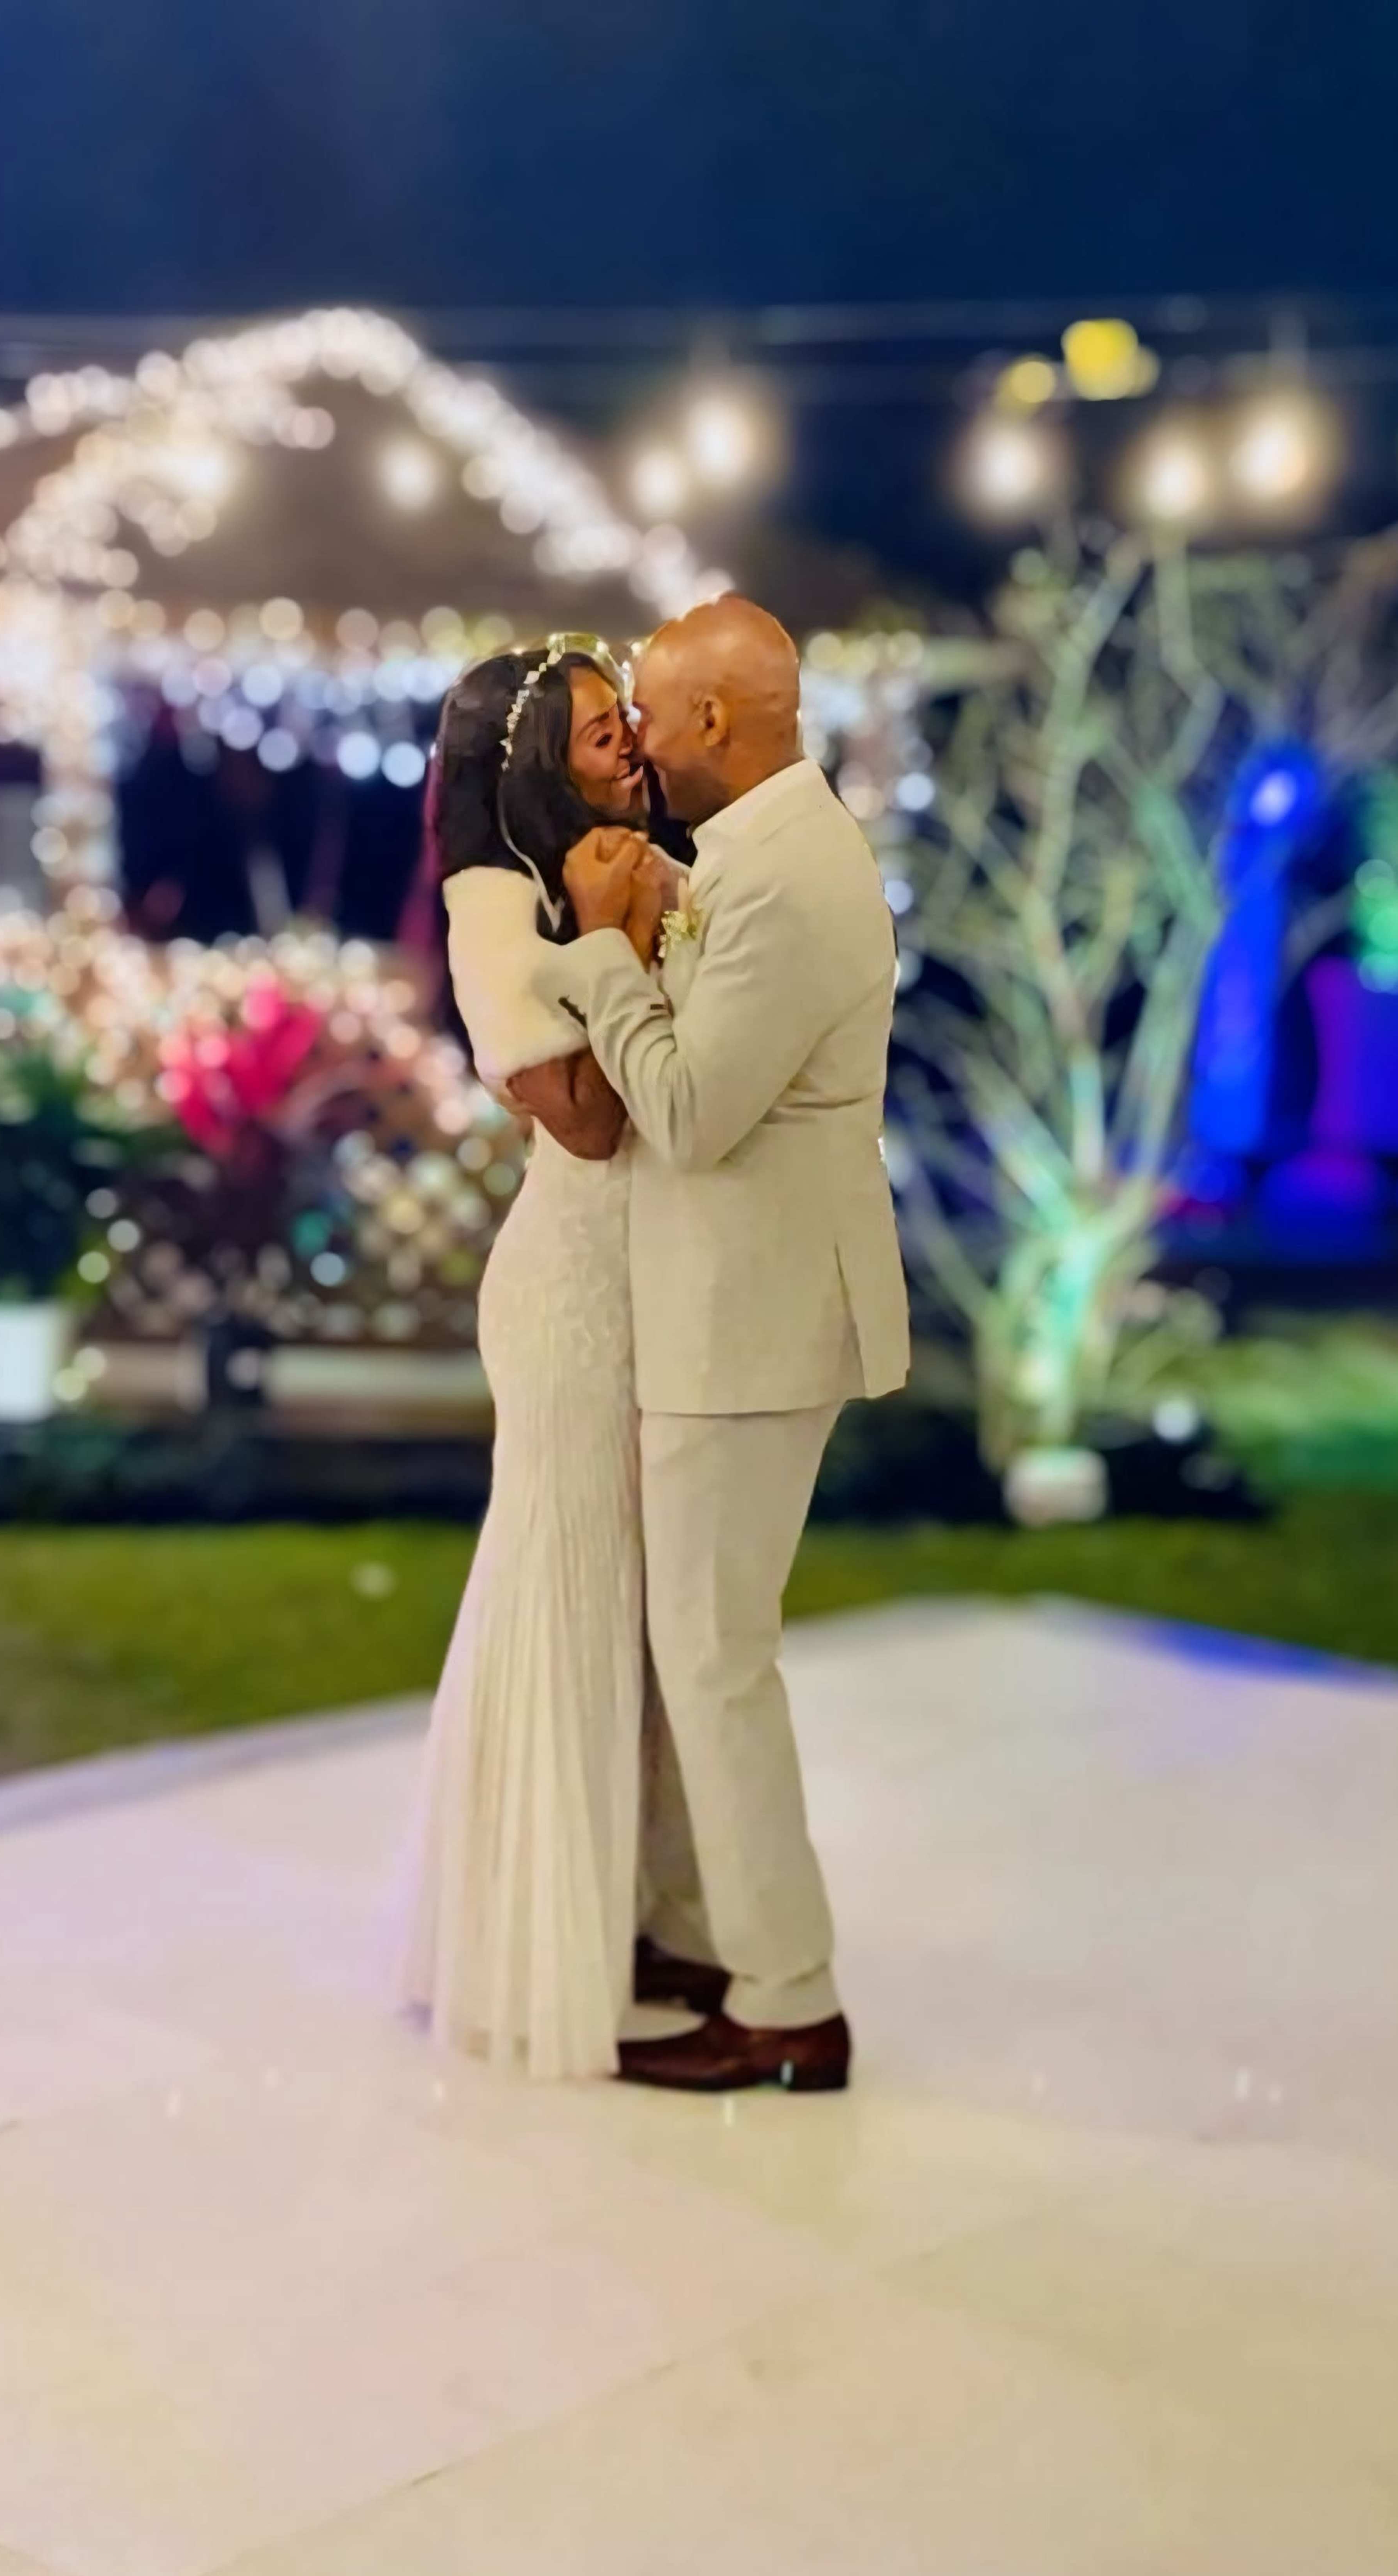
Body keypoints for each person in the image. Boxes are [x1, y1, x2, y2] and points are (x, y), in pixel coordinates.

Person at [536, 596, 911, 2095]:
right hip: (725, 1308)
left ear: (713, 724)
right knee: (698, 1651)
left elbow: (689, 1115)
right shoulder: (753, 857)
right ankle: (712, 1941)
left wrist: (606, 962)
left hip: (753, 1317)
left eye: (645, 706)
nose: (631, 732)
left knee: (716, 1657)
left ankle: (790, 2000)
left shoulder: (791, 880)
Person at [397, 635, 686, 2079]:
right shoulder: (495, 902)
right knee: (563, 1594)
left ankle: (608, 1907)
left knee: (622, 1610)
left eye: (623, 720)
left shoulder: (622, 865)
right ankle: (533, 1941)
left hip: (646, 1292)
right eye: (592, 733)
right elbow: (584, 1117)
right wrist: (622, 937)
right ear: (525, 764)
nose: (625, 743)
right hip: (570, 1293)